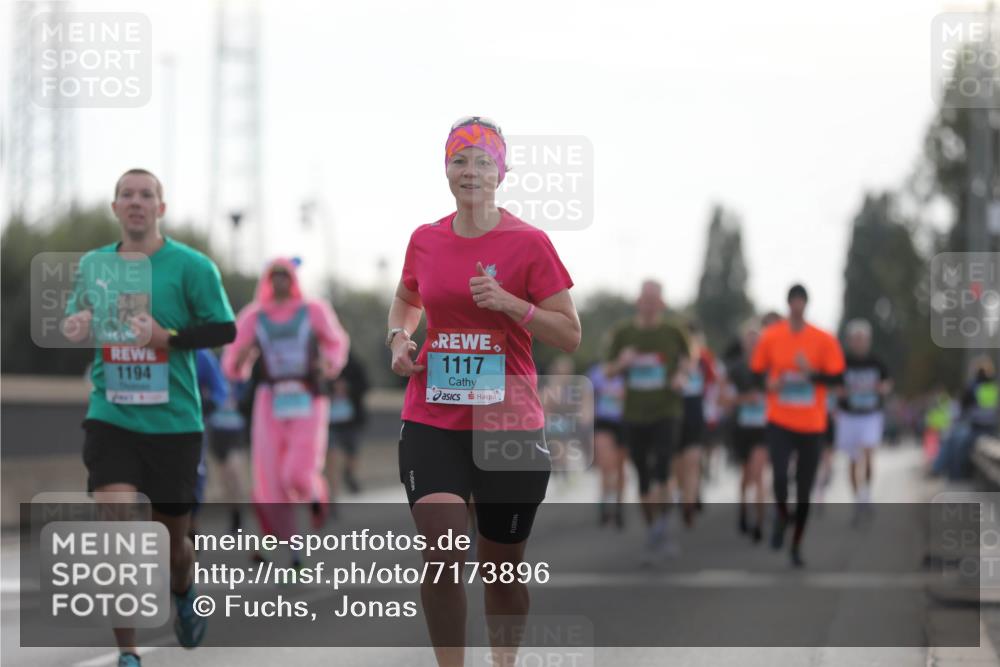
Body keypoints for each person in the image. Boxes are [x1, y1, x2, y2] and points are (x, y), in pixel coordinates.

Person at [388, 116, 580, 667]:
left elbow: (569, 333)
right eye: (459, 160)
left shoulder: (529, 243)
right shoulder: (425, 240)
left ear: (502, 171)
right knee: (443, 549)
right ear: (445, 169)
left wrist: (512, 304)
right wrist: (400, 337)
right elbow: (406, 301)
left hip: (509, 425)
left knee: (502, 573)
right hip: (433, 416)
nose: (469, 170)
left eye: (482, 161)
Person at [61, 169, 236, 666]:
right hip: (111, 414)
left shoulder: (192, 266)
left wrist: (168, 339)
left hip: (175, 423)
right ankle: (128, 652)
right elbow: (79, 319)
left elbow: (225, 328)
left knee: (173, 542)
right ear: (114, 207)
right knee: (116, 529)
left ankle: (182, 589)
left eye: (146, 195)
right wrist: (76, 325)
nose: (136, 202)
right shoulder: (95, 264)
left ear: (160, 208)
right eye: (127, 195)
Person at [222, 257, 350, 567]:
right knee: (270, 479)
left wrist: (328, 363)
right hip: (271, 400)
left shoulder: (313, 311)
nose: (279, 282)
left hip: (307, 397)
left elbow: (336, 343)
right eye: (274, 276)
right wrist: (240, 360)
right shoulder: (255, 316)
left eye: (284, 276)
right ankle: (293, 550)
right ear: (267, 280)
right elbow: (232, 358)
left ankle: (317, 492)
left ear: (292, 279)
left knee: (297, 472)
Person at [750, 284, 845, 568]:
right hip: (779, 420)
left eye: (801, 303)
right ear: (788, 304)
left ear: (806, 305)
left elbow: (837, 380)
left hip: (812, 424)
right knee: (779, 477)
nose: (796, 307)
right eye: (793, 303)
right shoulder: (771, 336)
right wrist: (769, 383)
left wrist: (811, 373)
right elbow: (755, 374)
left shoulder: (823, 339)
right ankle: (781, 516)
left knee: (804, 489)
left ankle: (797, 544)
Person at [605, 280, 689, 561]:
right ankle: (652, 527)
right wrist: (622, 364)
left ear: (662, 303)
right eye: (645, 298)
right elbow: (607, 371)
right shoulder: (624, 333)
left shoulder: (673, 332)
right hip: (634, 414)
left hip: (666, 411)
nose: (650, 303)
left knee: (663, 469)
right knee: (642, 474)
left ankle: (662, 528)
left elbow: (690, 359)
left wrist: (682, 375)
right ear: (638, 302)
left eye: (655, 299)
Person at [835, 318, 892, 510]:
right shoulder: (842, 362)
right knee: (852, 459)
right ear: (850, 340)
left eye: (862, 338)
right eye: (856, 338)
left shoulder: (877, 361)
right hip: (849, 416)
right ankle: (857, 497)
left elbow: (887, 383)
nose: (859, 342)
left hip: (870, 415)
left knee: (868, 452)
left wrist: (882, 388)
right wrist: (841, 391)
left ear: (868, 340)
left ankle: (866, 493)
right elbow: (834, 385)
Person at [722, 320, 768, 542]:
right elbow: (722, 399)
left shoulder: (770, 366)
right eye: (749, 340)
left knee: (759, 473)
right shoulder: (734, 368)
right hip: (741, 428)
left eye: (756, 339)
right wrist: (744, 399)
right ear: (742, 343)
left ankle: (759, 522)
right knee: (746, 474)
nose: (752, 343)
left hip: (764, 428)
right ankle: (743, 510)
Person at [675, 323, 717, 527]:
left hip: (696, 414)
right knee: (678, 465)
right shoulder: (673, 358)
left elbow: (713, 387)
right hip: (675, 414)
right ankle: (685, 494)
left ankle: (688, 506)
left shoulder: (705, 360)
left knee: (693, 461)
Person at [324, 351, 371, 497]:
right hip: (329, 422)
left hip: (351, 421)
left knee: (352, 452)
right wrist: (332, 388)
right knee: (331, 459)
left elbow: (365, 386)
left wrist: (347, 388)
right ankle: (332, 496)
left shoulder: (354, 364)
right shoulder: (321, 363)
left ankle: (349, 474)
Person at [588, 359, 627, 528]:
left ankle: (619, 505)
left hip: (624, 424)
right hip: (603, 423)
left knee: (620, 468)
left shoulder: (627, 373)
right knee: (606, 466)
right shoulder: (596, 373)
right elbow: (586, 400)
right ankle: (604, 504)